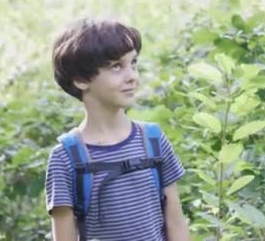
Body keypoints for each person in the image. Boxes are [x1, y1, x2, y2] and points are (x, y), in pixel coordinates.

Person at [45, 17, 190, 240]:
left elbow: (176, 224)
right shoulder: (65, 158)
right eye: (116, 67)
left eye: (133, 63)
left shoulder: (153, 141)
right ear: (81, 79)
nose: (131, 76)